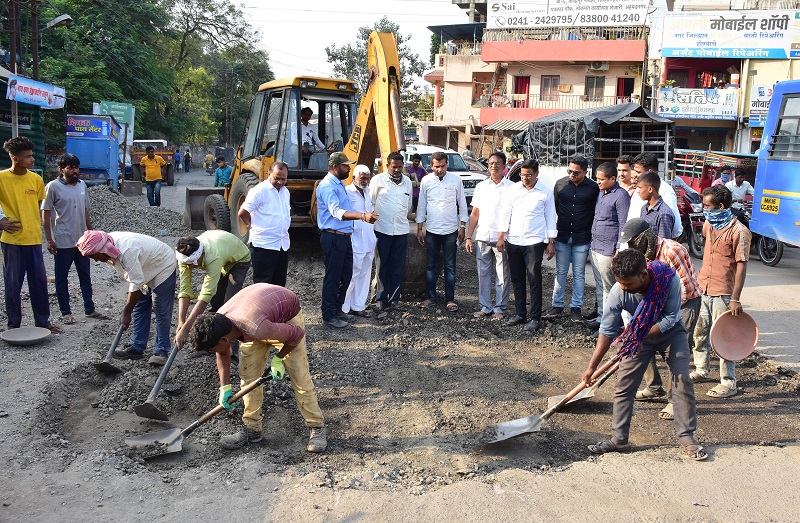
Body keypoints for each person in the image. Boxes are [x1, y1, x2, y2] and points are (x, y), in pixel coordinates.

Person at [581, 249, 707, 461]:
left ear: (643, 274)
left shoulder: (669, 279)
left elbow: (670, 318)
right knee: (624, 385)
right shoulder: (618, 291)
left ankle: (687, 437)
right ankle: (619, 439)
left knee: (682, 380)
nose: (624, 287)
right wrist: (591, 367)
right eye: (620, 282)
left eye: (628, 284)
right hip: (638, 333)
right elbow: (607, 330)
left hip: (670, 332)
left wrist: (638, 335)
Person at [191, 283, 327, 453]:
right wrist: (224, 387)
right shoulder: (220, 323)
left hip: (286, 318)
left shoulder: (257, 328)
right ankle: (252, 429)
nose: (212, 353)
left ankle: (317, 426)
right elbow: (222, 352)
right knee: (248, 377)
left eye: (211, 350)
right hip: (257, 316)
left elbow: (297, 334)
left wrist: (278, 358)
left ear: (225, 340)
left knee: (299, 377)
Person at [622, 219, 702, 419]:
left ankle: (674, 401)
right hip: (656, 306)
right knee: (640, 339)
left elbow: (684, 290)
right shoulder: (640, 257)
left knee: (675, 353)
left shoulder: (672, 251)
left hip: (685, 304)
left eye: (632, 242)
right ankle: (653, 387)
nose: (630, 247)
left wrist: (662, 319)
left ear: (643, 238)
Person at [77, 230, 176, 365]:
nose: (95, 260)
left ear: (102, 250)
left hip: (162, 264)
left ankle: (161, 351)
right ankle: (137, 347)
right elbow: (134, 279)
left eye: (95, 256)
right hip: (144, 265)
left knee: (160, 307)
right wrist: (129, 308)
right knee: (140, 305)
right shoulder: (106, 245)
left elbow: (135, 282)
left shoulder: (127, 250)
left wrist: (126, 312)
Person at [691, 185, 751, 399]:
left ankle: (728, 381)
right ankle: (701, 369)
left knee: (724, 338)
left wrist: (735, 298)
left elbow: (742, 266)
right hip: (704, 288)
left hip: (724, 293)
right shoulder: (709, 225)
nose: (704, 209)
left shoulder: (739, 232)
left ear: (721, 206)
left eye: (707, 206)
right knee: (700, 332)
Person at [0, 137, 63, 333]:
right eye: (27, 156)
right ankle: (13, 325)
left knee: (39, 284)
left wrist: (47, 236)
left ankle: (43, 322)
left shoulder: (35, 179)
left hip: (34, 239)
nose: (32, 159)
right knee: (13, 285)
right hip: (12, 241)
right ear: (14, 158)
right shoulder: (1, 178)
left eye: (31, 155)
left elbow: (38, 209)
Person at [42, 153, 108, 325]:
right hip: (63, 241)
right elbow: (46, 214)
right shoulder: (53, 187)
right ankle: (66, 312)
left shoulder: (82, 185)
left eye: (76, 167)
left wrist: (91, 234)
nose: (75, 171)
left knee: (85, 276)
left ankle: (89, 309)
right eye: (70, 168)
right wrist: (49, 239)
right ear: (61, 169)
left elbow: (86, 210)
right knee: (62, 278)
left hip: (82, 241)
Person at [317, 152, 378, 328]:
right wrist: (362, 216)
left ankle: (338, 311)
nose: (348, 168)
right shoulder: (328, 186)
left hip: (343, 237)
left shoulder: (338, 185)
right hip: (333, 236)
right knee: (333, 278)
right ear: (335, 167)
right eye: (345, 166)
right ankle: (329, 316)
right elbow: (337, 213)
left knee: (345, 276)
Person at [497, 159, 557, 332]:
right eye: (522, 175)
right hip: (514, 240)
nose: (525, 178)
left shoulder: (545, 192)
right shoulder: (513, 190)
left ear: (537, 174)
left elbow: (551, 217)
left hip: (534, 242)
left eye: (529, 175)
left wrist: (551, 242)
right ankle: (520, 313)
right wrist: (502, 236)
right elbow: (505, 214)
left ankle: (535, 317)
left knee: (534, 280)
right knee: (517, 279)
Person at [173, 230, 252, 354]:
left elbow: (205, 297)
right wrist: (181, 322)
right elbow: (184, 290)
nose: (188, 267)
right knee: (217, 302)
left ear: (201, 254)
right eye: (186, 264)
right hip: (222, 250)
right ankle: (210, 344)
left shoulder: (213, 256)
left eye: (192, 264)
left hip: (238, 259)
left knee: (229, 307)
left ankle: (232, 354)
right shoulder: (184, 257)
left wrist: (185, 330)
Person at [543, 155, 599, 322]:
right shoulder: (560, 184)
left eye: (576, 172)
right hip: (563, 234)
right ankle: (557, 305)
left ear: (585, 172)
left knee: (579, 273)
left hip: (582, 236)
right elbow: (554, 210)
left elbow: (596, 212)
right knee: (560, 272)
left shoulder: (593, 188)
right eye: (570, 171)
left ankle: (576, 307)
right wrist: (550, 239)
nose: (572, 175)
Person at [416, 151, 469, 312]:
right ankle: (431, 297)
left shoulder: (456, 180)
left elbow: (462, 203)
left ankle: (450, 299)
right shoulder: (426, 181)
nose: (440, 169)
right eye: (437, 166)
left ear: (447, 165)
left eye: (443, 166)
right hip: (431, 230)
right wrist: (420, 227)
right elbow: (422, 204)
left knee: (450, 266)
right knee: (431, 265)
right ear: (431, 166)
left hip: (451, 230)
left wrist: (462, 226)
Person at [465, 151, 514, 320]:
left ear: (504, 166)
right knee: (483, 274)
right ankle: (485, 306)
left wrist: (505, 236)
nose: (493, 166)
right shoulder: (481, 187)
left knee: (502, 274)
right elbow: (475, 214)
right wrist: (469, 237)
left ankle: (500, 307)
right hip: (483, 236)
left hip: (502, 239)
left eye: (497, 164)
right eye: (491, 163)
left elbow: (512, 215)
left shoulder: (511, 188)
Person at [586, 162, 630, 330]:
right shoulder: (602, 193)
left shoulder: (621, 196)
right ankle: (603, 318)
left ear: (613, 178)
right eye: (597, 179)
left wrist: (619, 248)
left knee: (610, 287)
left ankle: (610, 324)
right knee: (602, 286)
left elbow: (623, 224)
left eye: (601, 179)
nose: (598, 182)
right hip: (596, 246)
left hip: (608, 249)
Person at [370, 152, 413, 311]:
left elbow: (408, 206)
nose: (396, 170)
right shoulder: (378, 180)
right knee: (382, 265)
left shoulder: (407, 182)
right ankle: (381, 299)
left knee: (398, 266)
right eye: (394, 167)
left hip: (401, 231)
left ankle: (395, 300)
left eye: (400, 167)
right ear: (387, 166)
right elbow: (371, 201)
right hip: (382, 230)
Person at [238, 162, 291, 287]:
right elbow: (243, 212)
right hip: (264, 245)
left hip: (282, 244)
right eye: (276, 178)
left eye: (283, 179)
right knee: (263, 284)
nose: (280, 182)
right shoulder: (259, 191)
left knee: (279, 284)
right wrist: (251, 225)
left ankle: (276, 307)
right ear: (269, 173)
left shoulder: (285, 192)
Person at [342, 165, 377, 317]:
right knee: (352, 274)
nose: (365, 181)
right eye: (363, 178)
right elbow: (345, 214)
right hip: (355, 238)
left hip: (369, 238)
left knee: (365, 273)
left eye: (367, 178)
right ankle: (344, 308)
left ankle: (358, 306)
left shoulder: (368, 192)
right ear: (354, 178)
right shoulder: (347, 192)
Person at [627, 152, 682, 239]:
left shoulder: (665, 191)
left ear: (650, 172)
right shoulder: (639, 188)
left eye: (638, 172)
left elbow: (675, 229)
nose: (635, 175)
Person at [637, 171, 675, 240]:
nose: (638, 191)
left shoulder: (664, 213)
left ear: (650, 189)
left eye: (640, 188)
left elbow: (663, 244)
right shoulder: (644, 208)